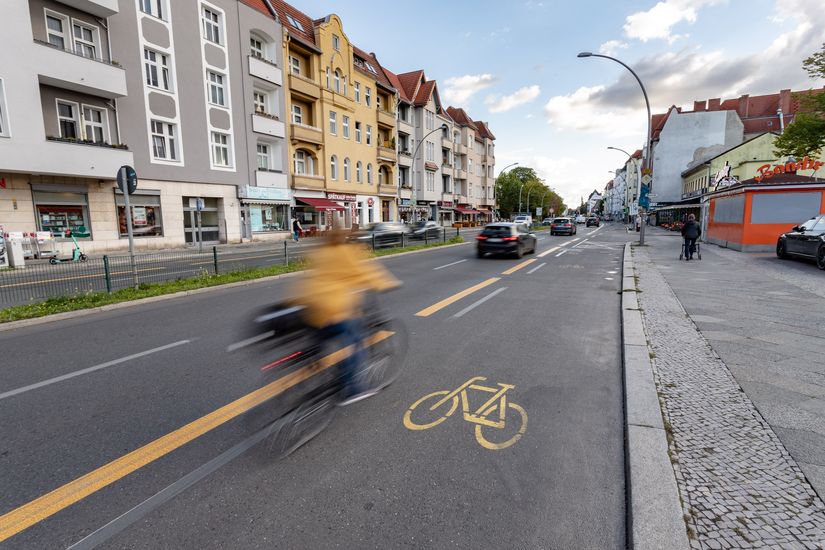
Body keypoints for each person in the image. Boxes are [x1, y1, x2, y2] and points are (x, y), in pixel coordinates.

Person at [289, 229, 400, 405]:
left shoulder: (321, 252)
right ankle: (352, 388)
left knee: (318, 344)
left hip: (307, 309)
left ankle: (317, 371)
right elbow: (370, 275)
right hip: (331, 312)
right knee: (357, 342)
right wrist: (389, 284)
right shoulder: (346, 254)